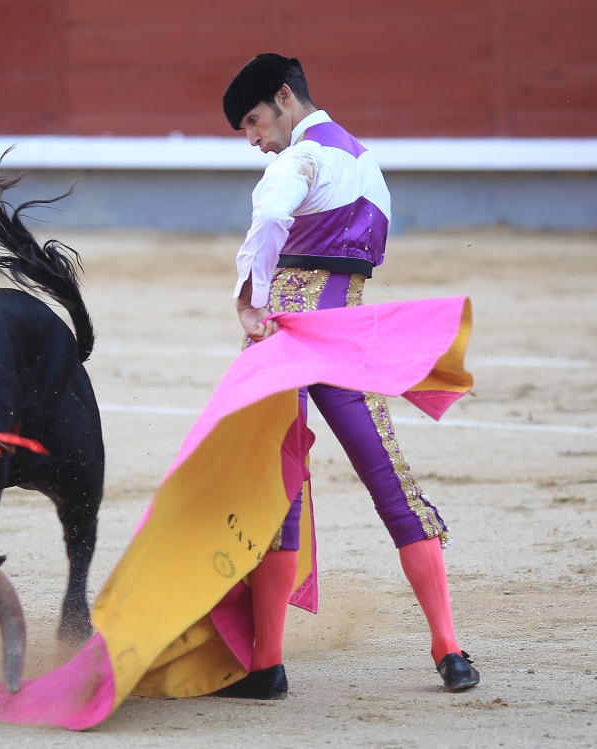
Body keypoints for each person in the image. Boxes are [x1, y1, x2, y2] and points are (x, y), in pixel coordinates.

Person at [213, 54, 479, 699]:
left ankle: (266, 666)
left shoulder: (297, 161)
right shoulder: (365, 160)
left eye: (253, 121)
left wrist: (250, 297)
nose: (253, 138)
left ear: (284, 97)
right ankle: (450, 648)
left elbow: (272, 218)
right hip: (348, 335)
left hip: (287, 337)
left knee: (279, 490)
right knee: (393, 484)